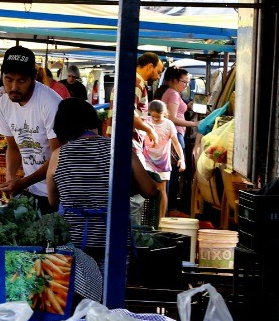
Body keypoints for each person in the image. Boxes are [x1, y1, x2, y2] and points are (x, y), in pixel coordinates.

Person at [44, 98, 159, 254]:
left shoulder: (58, 155)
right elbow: (150, 190)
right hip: (114, 241)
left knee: (82, 279)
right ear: (93, 120)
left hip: (73, 244)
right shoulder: (119, 149)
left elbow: (53, 200)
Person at [0, 45, 62, 210]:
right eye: (9, 79)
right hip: (32, 189)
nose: (14, 87)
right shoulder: (3, 104)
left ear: (33, 78)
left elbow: (58, 156)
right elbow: (13, 147)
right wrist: (11, 178)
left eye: (21, 81)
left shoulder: (50, 103)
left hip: (58, 193)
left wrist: (23, 182)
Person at [160, 66, 199, 211]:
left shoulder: (172, 93)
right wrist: (194, 123)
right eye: (184, 82)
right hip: (175, 134)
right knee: (175, 171)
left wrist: (188, 107)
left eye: (188, 83)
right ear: (175, 80)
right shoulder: (173, 94)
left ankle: (169, 207)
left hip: (174, 134)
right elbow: (173, 118)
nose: (186, 85)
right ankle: (171, 208)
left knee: (172, 172)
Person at [142, 99, 184, 222]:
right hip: (147, 160)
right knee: (145, 187)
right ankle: (147, 218)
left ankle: (161, 219)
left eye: (158, 116)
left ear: (164, 113)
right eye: (152, 116)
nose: (155, 119)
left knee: (161, 189)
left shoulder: (169, 124)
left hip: (162, 162)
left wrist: (182, 159)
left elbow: (176, 143)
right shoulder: (146, 122)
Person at [133, 52, 162, 146]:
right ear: (150, 66)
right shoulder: (137, 83)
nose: (158, 77)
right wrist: (149, 129)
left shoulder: (135, 81)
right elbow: (128, 114)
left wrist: (145, 124)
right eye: (158, 72)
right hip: (130, 143)